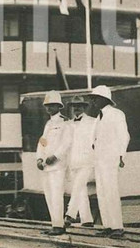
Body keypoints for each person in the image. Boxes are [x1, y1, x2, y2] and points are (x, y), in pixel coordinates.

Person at [91, 85, 130, 237]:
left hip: (110, 159)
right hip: (99, 160)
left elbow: (124, 136)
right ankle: (108, 225)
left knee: (111, 192)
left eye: (95, 98)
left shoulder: (116, 114)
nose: (93, 102)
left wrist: (121, 156)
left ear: (104, 99)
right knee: (102, 192)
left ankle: (117, 226)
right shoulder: (98, 118)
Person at [36, 90, 72, 236]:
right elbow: (42, 142)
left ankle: (59, 225)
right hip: (46, 166)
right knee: (49, 195)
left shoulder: (65, 122)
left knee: (57, 195)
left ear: (59, 106)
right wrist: (39, 157)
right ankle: (54, 224)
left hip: (57, 165)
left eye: (52, 105)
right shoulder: (48, 123)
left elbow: (67, 143)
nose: (49, 108)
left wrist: (55, 156)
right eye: (47, 106)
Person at [65, 95, 98, 228]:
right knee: (80, 190)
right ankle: (87, 220)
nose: (76, 108)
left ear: (84, 107)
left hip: (87, 161)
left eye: (79, 106)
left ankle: (69, 215)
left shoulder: (93, 122)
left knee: (78, 186)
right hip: (73, 161)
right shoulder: (68, 124)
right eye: (74, 106)